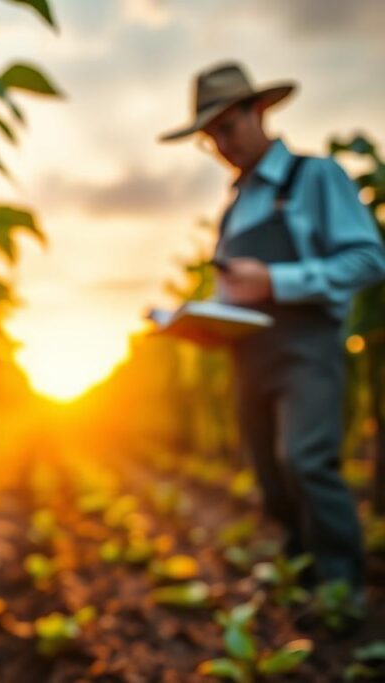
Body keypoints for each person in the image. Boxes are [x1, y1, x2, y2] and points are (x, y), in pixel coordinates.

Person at [159, 61, 385, 612]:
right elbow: (235, 290)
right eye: (210, 138)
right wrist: (206, 324)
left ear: (258, 111)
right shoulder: (235, 208)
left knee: (306, 459)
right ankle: (301, 568)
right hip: (249, 354)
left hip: (308, 346)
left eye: (228, 129)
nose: (221, 146)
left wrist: (278, 280)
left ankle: (341, 585)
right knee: (268, 471)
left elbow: (368, 258)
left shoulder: (317, 178)